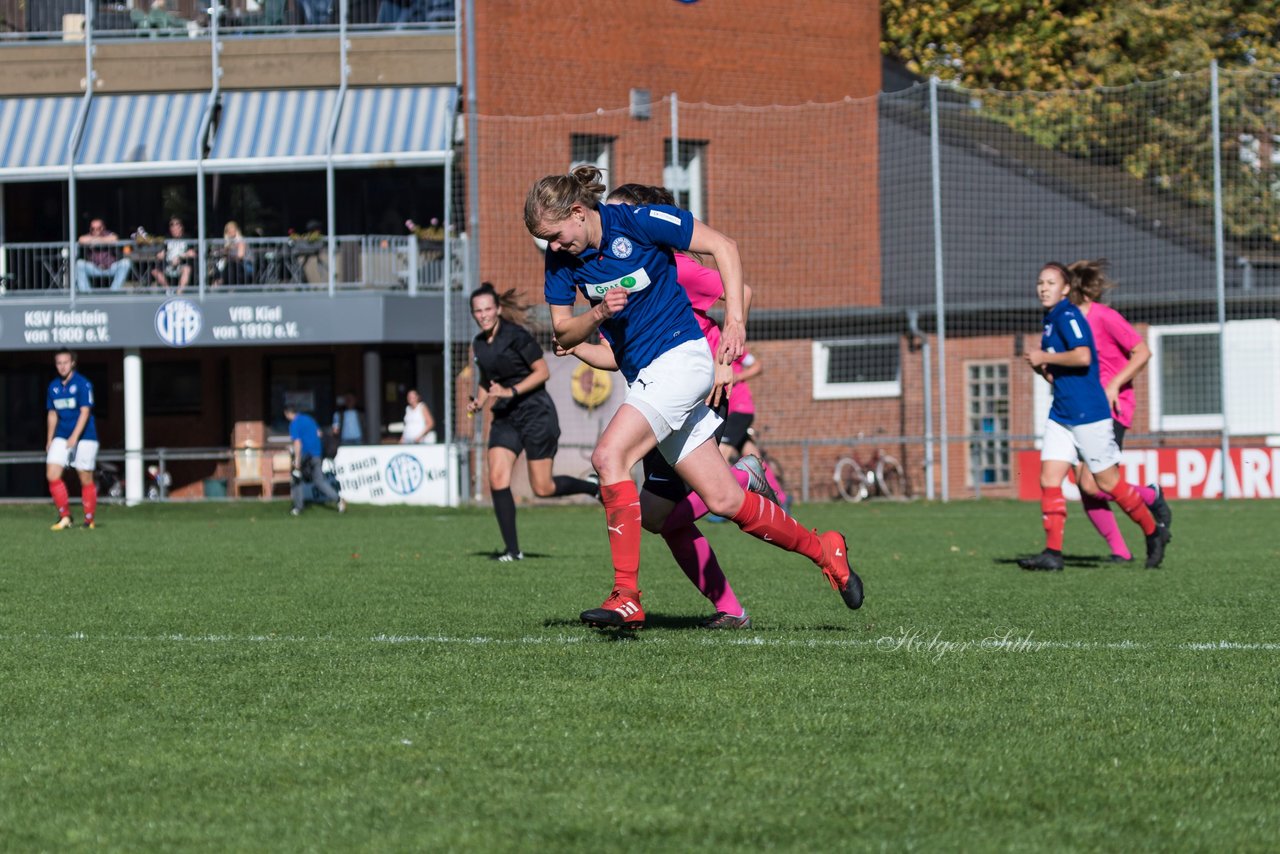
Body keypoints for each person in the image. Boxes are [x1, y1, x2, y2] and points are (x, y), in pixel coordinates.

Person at [526, 165, 862, 628]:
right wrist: (597, 314)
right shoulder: (561, 260)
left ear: (580, 213)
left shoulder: (637, 220)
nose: (555, 248)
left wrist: (736, 322)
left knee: (608, 456)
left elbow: (725, 247)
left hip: (683, 359)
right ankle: (824, 549)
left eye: (559, 236)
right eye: (548, 241)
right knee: (723, 501)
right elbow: (563, 327)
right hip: (648, 378)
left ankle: (626, 594)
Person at [1018, 262, 1171, 571]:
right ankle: (1053, 554)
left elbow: (1085, 355)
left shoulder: (1073, 315)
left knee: (1103, 483)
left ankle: (1153, 532)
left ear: (1067, 289)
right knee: (1050, 479)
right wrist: (1041, 365)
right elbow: (1056, 374)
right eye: (1040, 282)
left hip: (1092, 412)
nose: (1043, 288)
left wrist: (1045, 357)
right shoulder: (1051, 319)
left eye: (1051, 282)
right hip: (1061, 413)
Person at [467, 282, 601, 562]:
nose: (483, 315)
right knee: (497, 478)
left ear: (498, 309)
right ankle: (513, 551)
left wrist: (511, 391)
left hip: (535, 412)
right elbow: (485, 381)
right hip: (505, 416)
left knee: (543, 487)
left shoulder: (516, 336)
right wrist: (478, 401)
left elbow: (542, 373)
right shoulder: (479, 344)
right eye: (478, 311)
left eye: (488, 309)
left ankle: (593, 487)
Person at [1067, 259, 1172, 562]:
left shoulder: (1105, 317)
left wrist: (1114, 385)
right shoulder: (1068, 320)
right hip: (1079, 409)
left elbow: (1143, 352)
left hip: (1110, 408)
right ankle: (1120, 551)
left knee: (1094, 482)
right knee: (1085, 486)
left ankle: (1152, 497)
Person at [46, 349, 99, 530]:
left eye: (65, 362)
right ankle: (65, 517)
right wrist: (50, 439)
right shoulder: (53, 386)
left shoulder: (83, 384)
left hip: (85, 436)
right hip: (61, 435)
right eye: (59, 363)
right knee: (52, 474)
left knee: (84, 476)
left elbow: (85, 411)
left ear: (73, 363)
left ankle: (89, 519)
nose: (62, 366)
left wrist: (75, 437)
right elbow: (52, 414)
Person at [284, 403, 345, 516]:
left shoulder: (294, 424)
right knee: (319, 481)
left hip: (305, 455)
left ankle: (298, 507)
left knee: (296, 479)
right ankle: (338, 500)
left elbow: (297, 443)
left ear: (288, 413)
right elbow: (319, 433)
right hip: (317, 454)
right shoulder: (309, 419)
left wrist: (297, 461)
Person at [75, 218, 131, 292]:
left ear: (103, 228)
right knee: (80, 263)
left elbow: (114, 238)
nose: (95, 230)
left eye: (98, 228)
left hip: (110, 267)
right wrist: (99, 240)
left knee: (126, 263)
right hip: (94, 268)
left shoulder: (108, 234)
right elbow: (81, 239)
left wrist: (97, 241)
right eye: (93, 228)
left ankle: (114, 291)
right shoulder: (88, 235)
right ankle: (85, 292)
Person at [152, 217, 196, 292]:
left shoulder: (187, 238)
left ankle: (179, 293)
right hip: (168, 266)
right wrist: (161, 255)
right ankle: (169, 291)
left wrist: (180, 257)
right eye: (172, 226)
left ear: (181, 227)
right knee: (155, 271)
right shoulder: (167, 238)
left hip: (181, 266)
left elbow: (193, 253)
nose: (174, 228)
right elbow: (161, 253)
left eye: (176, 226)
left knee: (187, 269)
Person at [213, 221, 251, 287]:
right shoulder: (228, 243)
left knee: (230, 265)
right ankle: (217, 282)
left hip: (245, 264)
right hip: (232, 264)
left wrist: (228, 256)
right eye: (228, 231)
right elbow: (224, 253)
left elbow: (240, 256)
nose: (230, 233)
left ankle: (222, 283)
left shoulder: (240, 241)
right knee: (219, 265)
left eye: (232, 231)